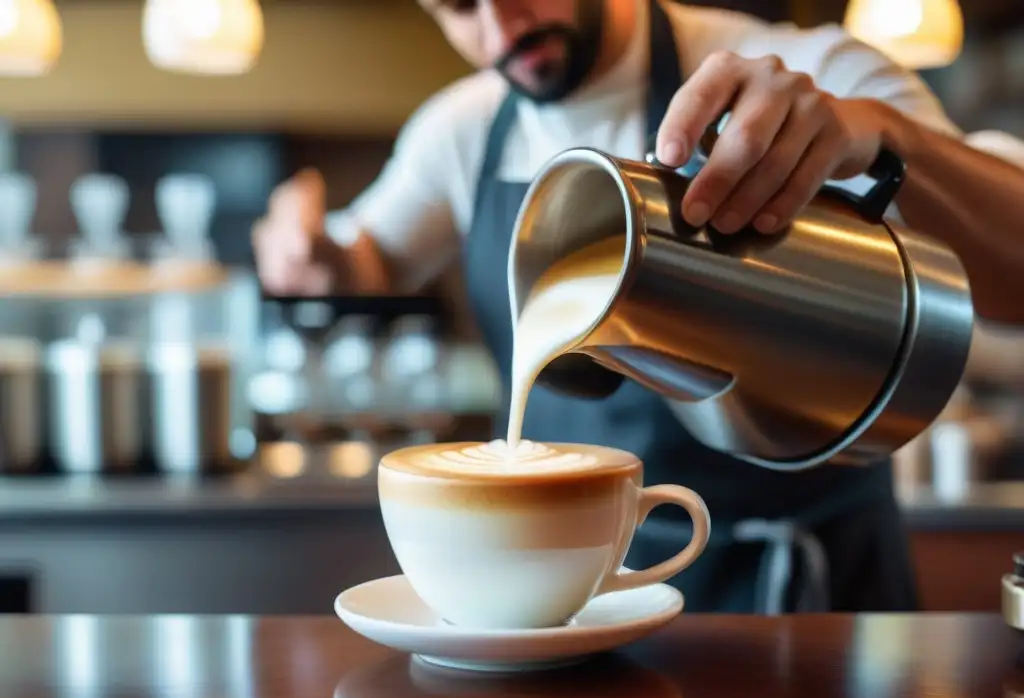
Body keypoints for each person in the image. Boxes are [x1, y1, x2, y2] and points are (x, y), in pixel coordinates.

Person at [253, 0, 1024, 613]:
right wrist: (309, 252)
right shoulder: (463, 130)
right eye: (459, 8)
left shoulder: (802, 70)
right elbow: (365, 260)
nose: (498, 26)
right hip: (574, 606)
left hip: (806, 602)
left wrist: (888, 137)